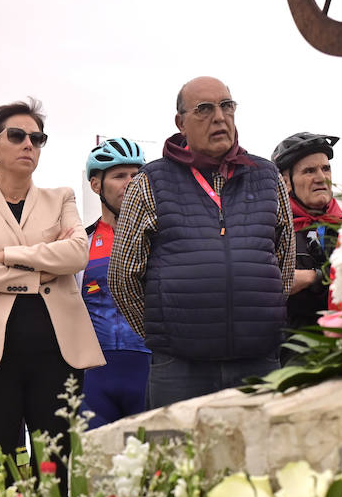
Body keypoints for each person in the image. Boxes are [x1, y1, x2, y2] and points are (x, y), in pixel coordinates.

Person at [109, 76, 295, 408]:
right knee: (180, 459)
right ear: (181, 123)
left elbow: (284, 263)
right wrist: (165, 333)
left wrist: (258, 316)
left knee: (257, 458)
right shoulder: (150, 181)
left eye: (227, 106)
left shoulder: (268, 177)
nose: (219, 118)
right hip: (180, 369)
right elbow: (123, 276)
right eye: (204, 109)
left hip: (258, 364)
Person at [0, 99, 103, 493]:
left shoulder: (62, 197)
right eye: (17, 136)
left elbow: (77, 254)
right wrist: (39, 272)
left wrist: (6, 256)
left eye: (37, 138)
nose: (28, 145)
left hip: (58, 353)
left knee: (56, 472)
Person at [80, 138, 150, 429]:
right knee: (96, 470)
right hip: (94, 375)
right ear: (96, 185)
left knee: (156, 469)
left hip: (150, 368)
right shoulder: (80, 243)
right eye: (120, 175)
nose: (130, 183)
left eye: (136, 176)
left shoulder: (161, 240)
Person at [272, 132, 342, 342]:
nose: (321, 178)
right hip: (294, 351)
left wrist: (312, 278)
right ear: (286, 183)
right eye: (309, 171)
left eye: (325, 168)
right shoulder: (271, 236)